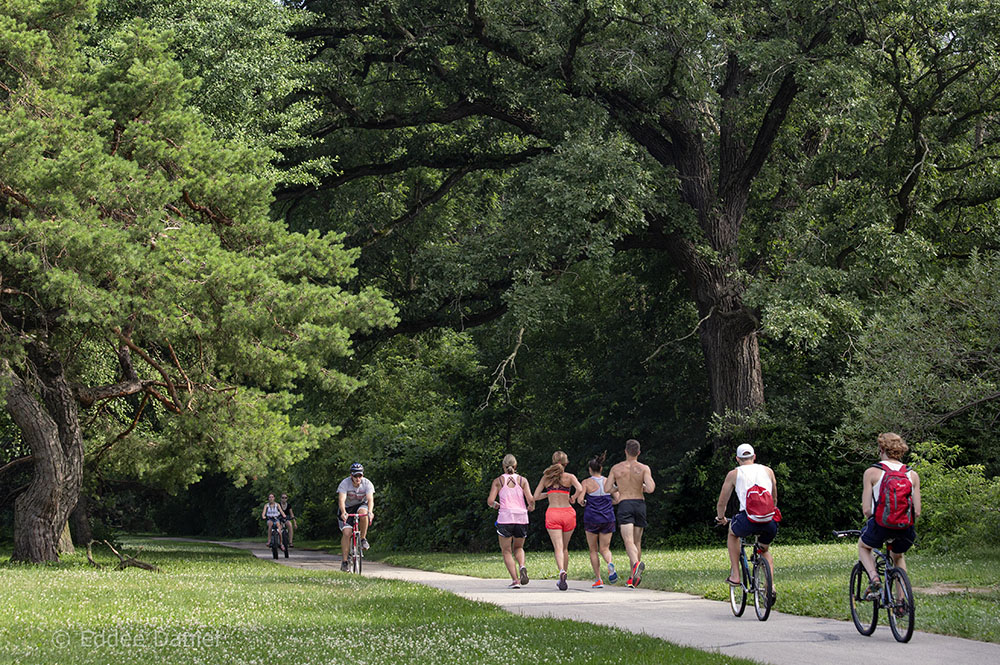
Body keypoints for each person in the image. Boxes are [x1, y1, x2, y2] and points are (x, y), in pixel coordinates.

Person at [858, 432, 921, 598]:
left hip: (881, 526)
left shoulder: (872, 472)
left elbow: (866, 510)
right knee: (898, 556)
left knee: (863, 547)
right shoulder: (912, 474)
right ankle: (902, 601)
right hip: (905, 528)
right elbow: (917, 511)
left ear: (881, 449)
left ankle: (874, 579)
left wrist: (875, 521)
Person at [715, 443, 778, 603]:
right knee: (764, 550)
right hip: (769, 521)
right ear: (754, 457)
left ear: (737, 459)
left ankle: (735, 575)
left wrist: (721, 517)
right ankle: (771, 586)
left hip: (747, 520)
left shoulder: (734, 474)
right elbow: (774, 497)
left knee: (732, 532)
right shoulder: (768, 471)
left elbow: (723, 501)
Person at [606, 439, 655, 587]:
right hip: (640, 504)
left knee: (628, 541)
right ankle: (632, 577)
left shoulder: (616, 468)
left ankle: (635, 564)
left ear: (625, 451)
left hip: (625, 503)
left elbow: (607, 488)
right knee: (636, 542)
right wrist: (642, 486)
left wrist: (618, 487)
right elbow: (651, 488)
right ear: (639, 452)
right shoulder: (644, 468)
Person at [533, 450, 583, 591]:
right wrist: (573, 497)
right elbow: (579, 488)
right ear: (566, 462)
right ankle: (564, 574)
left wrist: (550, 493)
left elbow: (535, 496)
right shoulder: (570, 477)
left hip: (553, 513)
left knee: (558, 547)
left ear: (553, 461)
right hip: (568, 513)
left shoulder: (546, 478)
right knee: (565, 548)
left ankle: (561, 570)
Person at [486, 454, 535, 588]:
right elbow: (530, 499)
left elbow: (490, 501)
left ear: (503, 466)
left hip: (505, 518)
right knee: (518, 547)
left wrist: (496, 505)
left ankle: (515, 581)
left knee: (506, 550)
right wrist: (531, 506)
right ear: (515, 465)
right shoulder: (523, 480)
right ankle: (522, 566)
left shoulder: (498, 481)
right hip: (521, 517)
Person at [578, 451, 619, 588]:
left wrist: (584, 502)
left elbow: (580, 500)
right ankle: (609, 563)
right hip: (608, 517)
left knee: (593, 550)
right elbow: (617, 499)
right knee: (605, 548)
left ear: (590, 469)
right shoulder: (608, 481)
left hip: (592, 518)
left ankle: (598, 579)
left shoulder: (586, 482)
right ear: (601, 469)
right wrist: (608, 504)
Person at [338, 462, 375, 572]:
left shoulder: (367, 483)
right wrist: (344, 512)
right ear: (351, 476)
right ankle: (345, 561)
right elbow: (341, 499)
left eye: (360, 475)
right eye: (355, 476)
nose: (358, 478)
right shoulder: (345, 484)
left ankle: (363, 538)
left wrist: (370, 512)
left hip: (360, 505)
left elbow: (370, 499)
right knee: (347, 533)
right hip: (347, 508)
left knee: (364, 512)